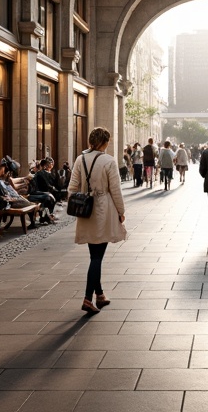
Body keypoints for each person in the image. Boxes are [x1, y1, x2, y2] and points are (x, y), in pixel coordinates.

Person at [69, 126, 125, 315]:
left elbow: (72, 188)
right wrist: (121, 211)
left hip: (86, 210)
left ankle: (100, 294)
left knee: (94, 253)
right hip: (103, 210)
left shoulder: (80, 159)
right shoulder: (109, 161)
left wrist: (82, 198)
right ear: (105, 142)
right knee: (97, 256)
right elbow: (115, 189)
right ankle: (87, 298)